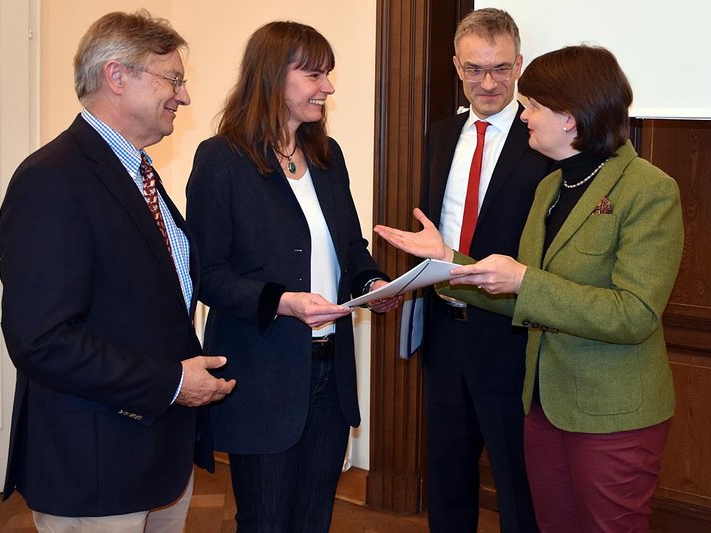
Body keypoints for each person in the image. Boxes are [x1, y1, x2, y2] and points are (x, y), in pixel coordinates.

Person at [376, 44, 684, 532]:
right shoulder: (552, 187)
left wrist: (524, 280)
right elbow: (516, 290)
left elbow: (635, 314)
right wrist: (447, 263)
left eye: (534, 106)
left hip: (612, 415)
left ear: (570, 117)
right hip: (542, 405)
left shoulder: (648, 189)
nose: (524, 117)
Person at [0, 10, 235, 532]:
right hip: (96, 467)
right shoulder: (51, 180)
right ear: (117, 76)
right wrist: (173, 381)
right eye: (173, 79)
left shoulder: (140, 174)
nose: (185, 96)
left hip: (156, 456)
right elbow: (42, 339)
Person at [185, 21, 401, 533]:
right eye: (314, 74)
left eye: (328, 74)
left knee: (313, 520)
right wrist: (284, 302)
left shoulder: (328, 157)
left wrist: (374, 286)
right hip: (263, 374)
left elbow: (351, 250)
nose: (327, 87)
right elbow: (208, 275)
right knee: (266, 521)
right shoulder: (221, 160)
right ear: (271, 77)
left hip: (330, 371)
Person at [416, 8, 550, 532]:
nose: (488, 83)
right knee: (447, 478)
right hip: (444, 332)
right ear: (456, 66)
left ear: (520, 65)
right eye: (474, 69)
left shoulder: (542, 139)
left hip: (511, 334)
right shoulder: (441, 133)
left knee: (520, 485)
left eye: (500, 69)